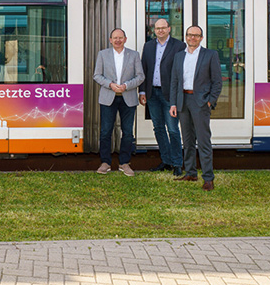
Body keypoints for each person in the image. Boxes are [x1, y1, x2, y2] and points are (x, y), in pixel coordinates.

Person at [170, 25, 223, 191]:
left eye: (196, 35)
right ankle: (191, 173)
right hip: (183, 100)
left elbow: (217, 82)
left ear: (201, 38)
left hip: (200, 102)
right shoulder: (179, 56)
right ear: (185, 37)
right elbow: (174, 82)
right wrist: (173, 103)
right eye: (189, 35)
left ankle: (208, 178)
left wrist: (209, 101)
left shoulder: (210, 55)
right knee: (187, 139)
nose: (192, 38)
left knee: (203, 140)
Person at [92, 27, 145, 176]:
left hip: (128, 98)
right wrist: (110, 84)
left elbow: (140, 76)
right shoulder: (103, 54)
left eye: (120, 37)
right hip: (108, 97)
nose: (118, 40)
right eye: (115, 38)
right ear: (110, 40)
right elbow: (97, 75)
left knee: (127, 132)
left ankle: (124, 163)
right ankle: (105, 163)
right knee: (105, 132)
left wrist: (126, 86)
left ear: (125, 39)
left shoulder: (134, 55)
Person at [138, 18, 186, 175]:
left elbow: (181, 73)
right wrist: (142, 91)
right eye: (157, 28)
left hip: (169, 95)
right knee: (158, 128)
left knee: (172, 129)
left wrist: (178, 95)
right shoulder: (149, 46)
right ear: (154, 30)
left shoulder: (179, 46)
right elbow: (144, 69)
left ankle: (178, 163)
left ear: (169, 29)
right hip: (152, 94)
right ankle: (166, 161)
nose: (160, 31)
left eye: (163, 28)